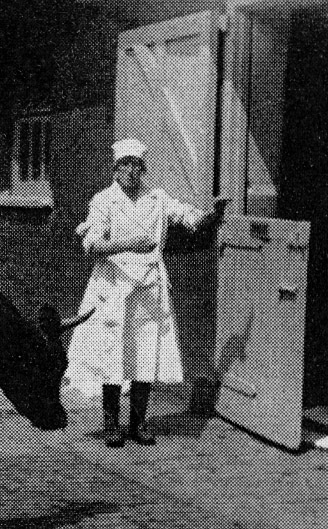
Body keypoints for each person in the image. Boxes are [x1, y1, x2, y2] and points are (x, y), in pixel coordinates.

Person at [66, 139, 224, 448]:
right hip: (113, 287)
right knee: (111, 355)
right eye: (124, 165)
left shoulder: (158, 198)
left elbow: (189, 219)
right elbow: (91, 246)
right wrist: (128, 244)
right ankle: (111, 423)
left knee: (145, 354)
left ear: (143, 169)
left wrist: (212, 215)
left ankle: (138, 423)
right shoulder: (103, 201)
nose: (131, 171)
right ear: (115, 169)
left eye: (136, 165)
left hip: (149, 289)